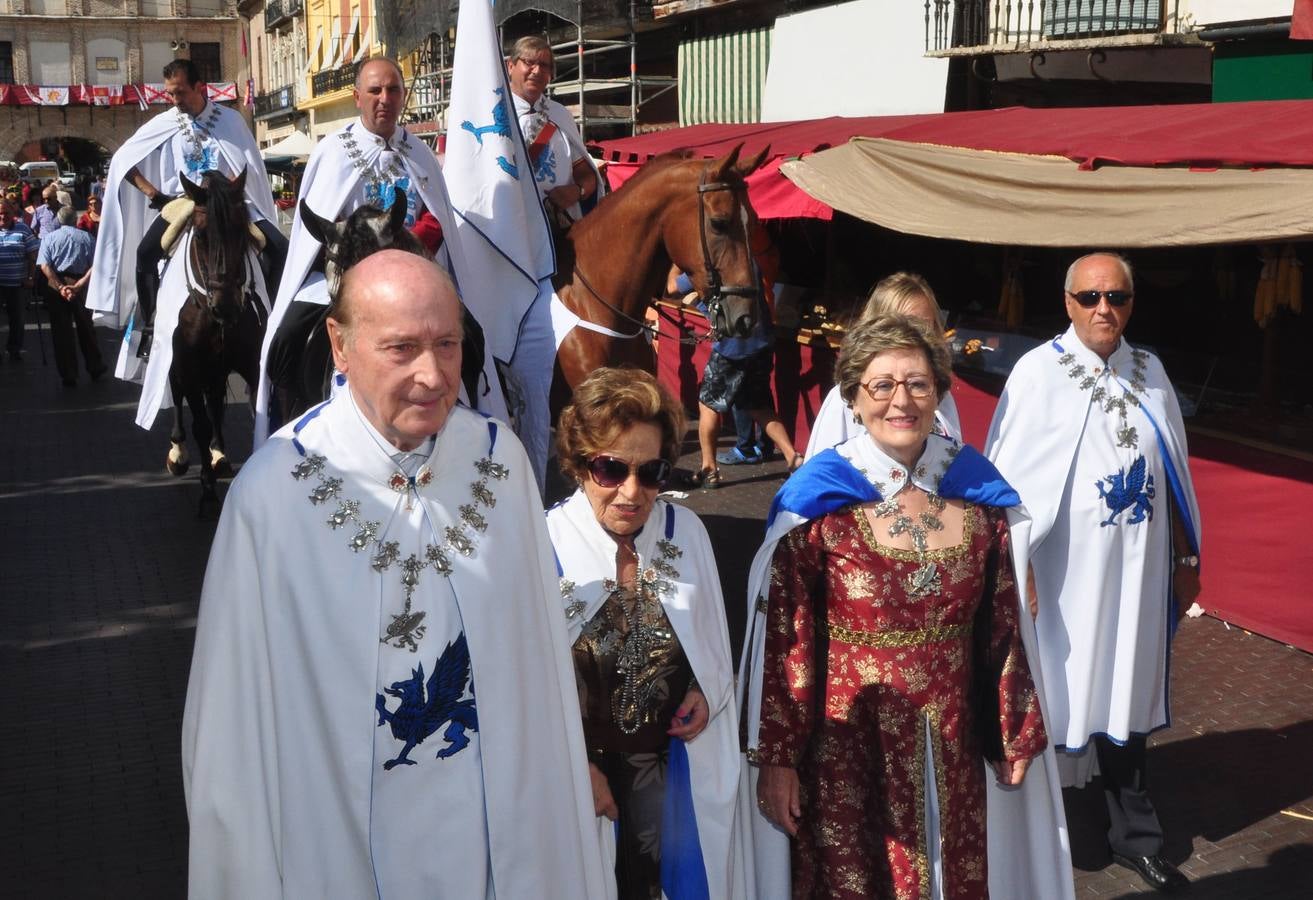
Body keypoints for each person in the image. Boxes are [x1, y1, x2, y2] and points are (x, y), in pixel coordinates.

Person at [182, 250, 610, 898]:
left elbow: (537, 664)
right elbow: (230, 723)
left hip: (493, 844)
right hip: (336, 843)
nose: (431, 375)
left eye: (447, 344)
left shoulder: (500, 463)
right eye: (401, 348)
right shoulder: (272, 492)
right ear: (340, 344)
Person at [740, 315, 1075, 899]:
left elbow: (1001, 626)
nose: (902, 400)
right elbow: (786, 645)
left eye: (918, 383)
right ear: (852, 396)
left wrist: (1013, 729)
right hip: (849, 744)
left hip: (953, 738)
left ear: (939, 393)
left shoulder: (976, 491)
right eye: (882, 385)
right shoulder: (815, 504)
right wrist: (779, 757)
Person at [984, 252, 1202, 894]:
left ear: (1132, 302)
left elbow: (1178, 476)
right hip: (1062, 581)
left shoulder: (1151, 368)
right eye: (1090, 297)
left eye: (1117, 296)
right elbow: (1009, 482)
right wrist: (1015, 565)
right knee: (1062, 693)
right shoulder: (1037, 373)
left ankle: (1138, 838)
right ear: (1067, 301)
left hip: (1136, 579)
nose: (1104, 308)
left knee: (1127, 696)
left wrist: (1186, 554)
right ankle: (1060, 834)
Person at [548, 367, 749, 899]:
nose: (632, 492)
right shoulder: (543, 543)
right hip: (576, 780)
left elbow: (712, 646)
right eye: (611, 469)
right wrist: (575, 770)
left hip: (672, 779)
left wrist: (706, 692)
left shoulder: (688, 532)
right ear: (579, 465)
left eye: (652, 472)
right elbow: (520, 686)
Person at [257, 57, 478, 444]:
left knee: (472, 335)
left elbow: (437, 216)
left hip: (415, 273)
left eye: (393, 90)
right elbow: (320, 228)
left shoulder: (420, 155)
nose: (384, 98)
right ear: (357, 97)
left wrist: (410, 239)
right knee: (288, 335)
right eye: (375, 90)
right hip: (344, 273)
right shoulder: (333, 151)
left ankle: (470, 419)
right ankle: (289, 428)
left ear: (403, 96)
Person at [87, 58, 283, 364]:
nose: (174, 100)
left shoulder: (230, 120)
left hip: (229, 203)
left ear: (199, 87)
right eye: (170, 94)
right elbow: (122, 159)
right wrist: (153, 192)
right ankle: (150, 324)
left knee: (279, 249)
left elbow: (248, 167)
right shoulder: (165, 123)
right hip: (185, 203)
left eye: (179, 93)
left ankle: (275, 317)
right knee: (145, 254)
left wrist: (227, 191)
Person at [806, 272, 961, 457]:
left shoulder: (942, 395)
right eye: (902, 327)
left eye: (924, 327)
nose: (916, 337)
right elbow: (823, 473)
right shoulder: (846, 400)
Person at [36, 206, 106, 385]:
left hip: (56, 282)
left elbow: (44, 266)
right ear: (75, 219)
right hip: (79, 281)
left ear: (59, 221)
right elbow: (95, 265)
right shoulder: (87, 237)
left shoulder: (49, 238)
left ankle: (68, 373)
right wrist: (79, 285)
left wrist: (60, 287)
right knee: (86, 327)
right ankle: (95, 366)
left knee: (62, 331)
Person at [0, 198, 39, 362]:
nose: (3, 216)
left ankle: (14, 348)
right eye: (0, 213)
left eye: (6, 213)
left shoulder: (23, 229)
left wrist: (30, 277)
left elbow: (32, 256)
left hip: (17, 283)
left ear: (13, 213)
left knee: (17, 319)